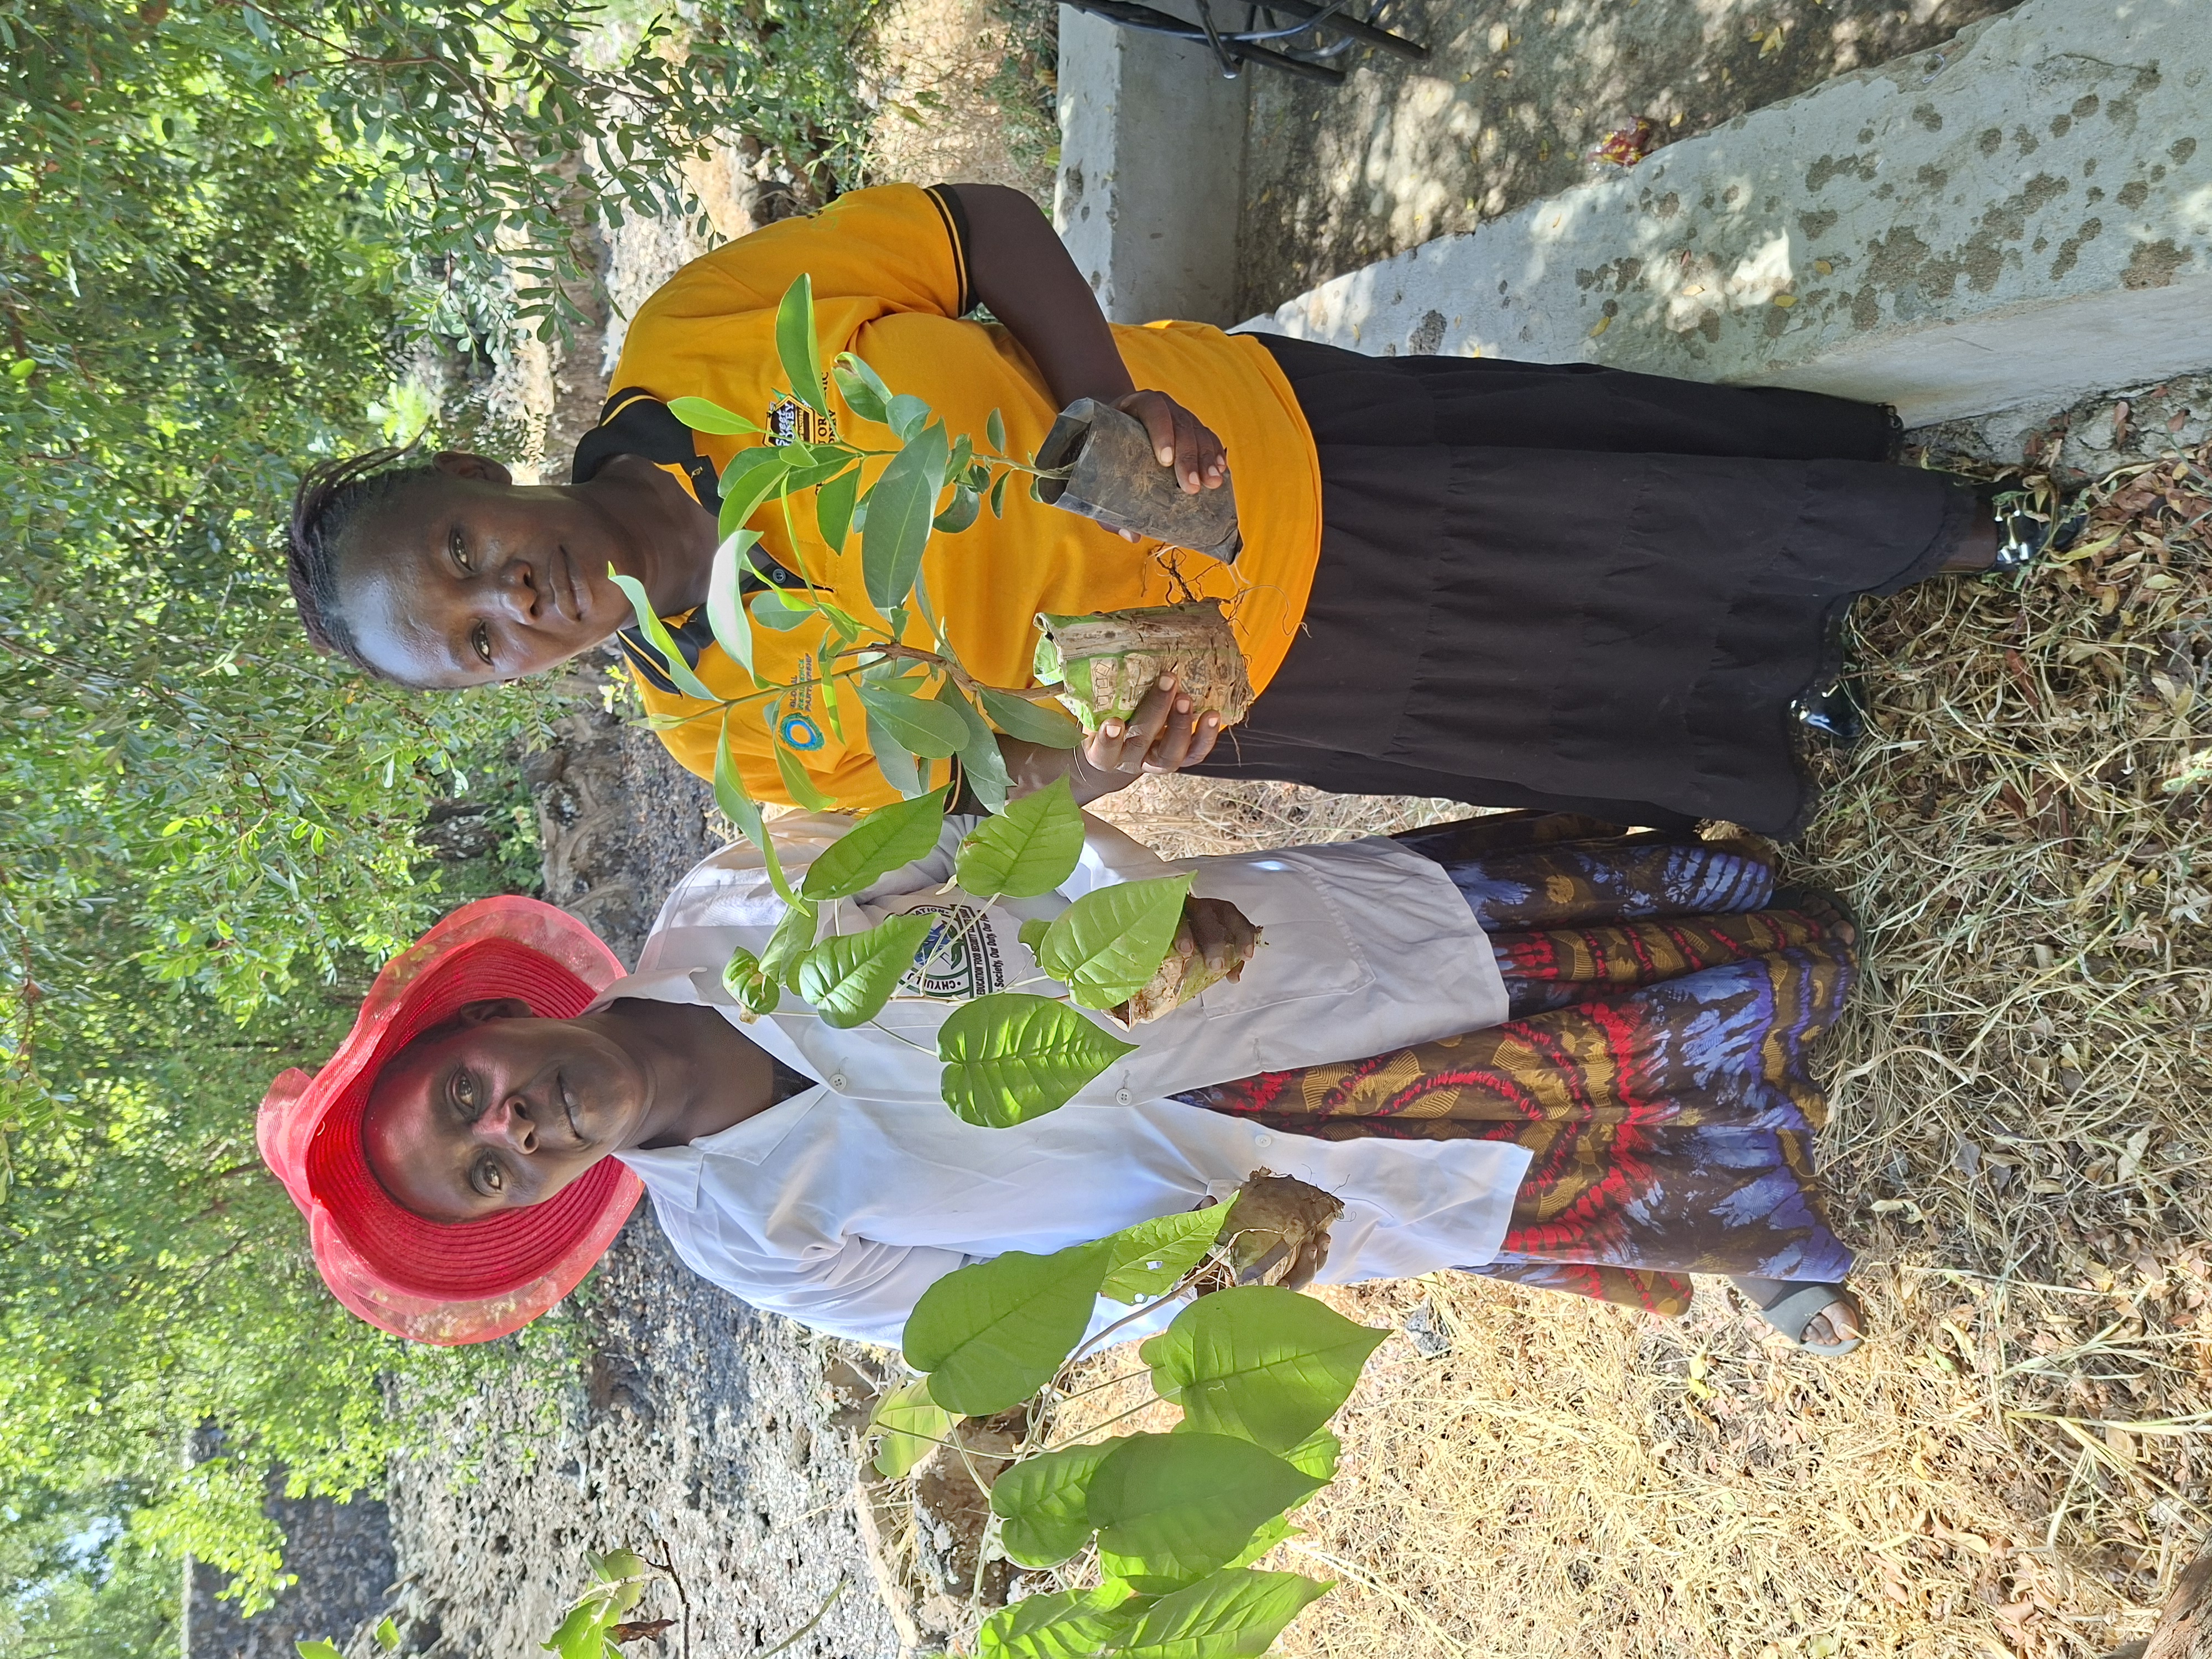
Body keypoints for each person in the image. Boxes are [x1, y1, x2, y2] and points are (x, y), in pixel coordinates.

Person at [280, 182, 2067, 837]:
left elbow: (973, 231)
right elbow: (973, 786)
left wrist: (1107, 399)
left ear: (470, 477)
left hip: (1273, 450)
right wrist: (1091, 769)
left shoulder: (706, 345)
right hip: (1255, 673)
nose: (512, 600)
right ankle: (1775, 686)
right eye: (478, 646)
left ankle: (1927, 532)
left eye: (459, 557)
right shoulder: (719, 723)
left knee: (1583, 501)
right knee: (1545, 677)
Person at [260, 802, 1869, 1357]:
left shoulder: (731, 905)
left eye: (468, 1096)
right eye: (489, 1169)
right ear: (534, 1206)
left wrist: (1138, 900)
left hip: (1238, 969)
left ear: (484, 1030)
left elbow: (983, 839)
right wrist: (1187, 1275)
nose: (514, 1127)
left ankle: (1750, 925)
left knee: (1478, 957)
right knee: (1485, 1163)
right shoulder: (740, 1239)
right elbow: (987, 1317)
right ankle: (1760, 1195)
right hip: (1238, 1183)